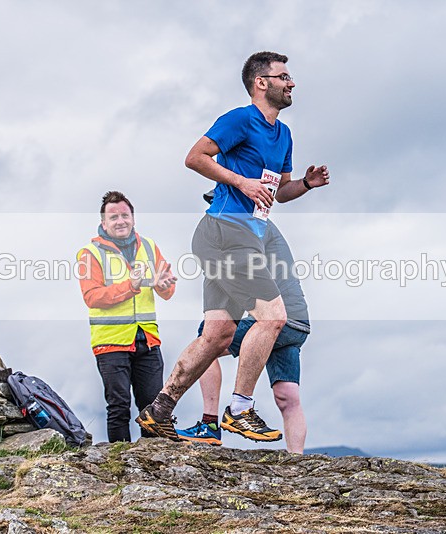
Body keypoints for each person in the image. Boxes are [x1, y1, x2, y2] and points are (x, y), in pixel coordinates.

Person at [136, 51, 329, 442]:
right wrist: (240, 182)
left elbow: (278, 191)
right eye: (284, 77)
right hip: (226, 231)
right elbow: (195, 157)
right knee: (273, 317)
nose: (292, 84)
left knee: (219, 335)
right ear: (262, 82)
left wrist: (305, 185)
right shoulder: (240, 119)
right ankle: (239, 409)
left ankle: (160, 409)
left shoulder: (284, 134)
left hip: (242, 235)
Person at [177, 215, 311, 453]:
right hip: (298, 321)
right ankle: (297, 460)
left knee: (208, 342)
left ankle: (209, 425)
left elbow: (241, 271)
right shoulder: (264, 227)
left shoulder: (247, 225)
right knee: (287, 395)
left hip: (276, 318)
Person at [77, 191, 177, 442]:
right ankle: (118, 464)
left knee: (154, 409)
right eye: (114, 217)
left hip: (148, 339)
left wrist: (163, 285)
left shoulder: (150, 247)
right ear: (103, 223)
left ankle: (156, 463)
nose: (120, 221)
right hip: (110, 341)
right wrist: (130, 286)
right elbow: (92, 297)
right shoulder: (90, 253)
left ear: (133, 218)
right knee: (119, 406)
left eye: (125, 215)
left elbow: (167, 291)